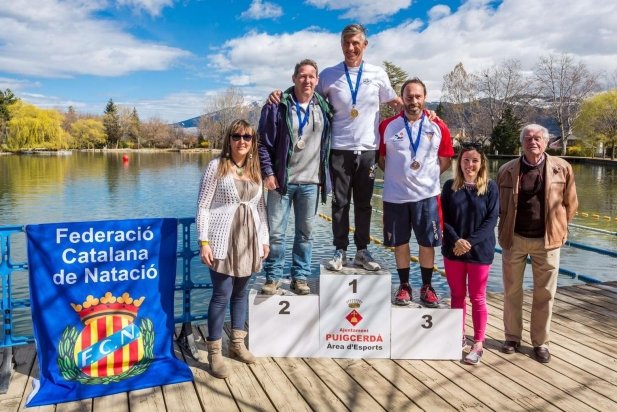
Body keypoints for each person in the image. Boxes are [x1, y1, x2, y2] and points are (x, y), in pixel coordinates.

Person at [267, 24, 403, 272]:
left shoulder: (378, 74)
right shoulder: (329, 75)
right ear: (341, 45)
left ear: (365, 44)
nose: (350, 48)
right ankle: (340, 250)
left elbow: (396, 103)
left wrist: (425, 113)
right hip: (339, 150)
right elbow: (304, 94)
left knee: (364, 204)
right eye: (346, 43)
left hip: (368, 150)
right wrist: (280, 94)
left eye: (355, 43)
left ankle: (362, 250)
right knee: (340, 203)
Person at [497, 123, 578, 363]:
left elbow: (570, 205)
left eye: (538, 138)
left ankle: (540, 343)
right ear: (521, 143)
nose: (533, 141)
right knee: (512, 291)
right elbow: (500, 207)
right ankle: (512, 337)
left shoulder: (562, 168)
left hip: (547, 241)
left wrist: (558, 227)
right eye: (528, 138)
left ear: (546, 142)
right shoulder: (507, 169)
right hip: (515, 239)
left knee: (545, 294)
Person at [196, 119, 270, 379]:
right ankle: (214, 351)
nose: (242, 141)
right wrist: (203, 241)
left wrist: (264, 239)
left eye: (247, 137)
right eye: (237, 136)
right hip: (222, 238)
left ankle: (237, 344)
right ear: (229, 139)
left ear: (252, 143)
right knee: (221, 294)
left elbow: (260, 208)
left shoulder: (255, 168)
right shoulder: (216, 166)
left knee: (241, 293)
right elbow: (203, 206)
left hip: (249, 239)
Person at [257, 59, 332, 295]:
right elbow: (262, 144)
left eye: (311, 76)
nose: (307, 80)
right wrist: (268, 173)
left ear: (317, 81)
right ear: (294, 79)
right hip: (281, 183)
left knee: (305, 234)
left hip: (311, 183)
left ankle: (300, 277)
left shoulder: (324, 107)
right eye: (302, 75)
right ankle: (273, 277)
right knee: (276, 234)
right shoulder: (277, 106)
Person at [378, 78, 453, 308]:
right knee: (400, 243)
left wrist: (426, 176)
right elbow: (381, 159)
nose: (413, 101)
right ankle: (404, 285)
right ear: (403, 99)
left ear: (424, 98)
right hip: (395, 197)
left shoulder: (438, 126)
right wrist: (399, 175)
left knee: (426, 243)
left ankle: (427, 286)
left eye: (418, 96)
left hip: (427, 197)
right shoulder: (387, 126)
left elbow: (446, 159)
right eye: (409, 97)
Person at [441, 142, 499, 365]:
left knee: (477, 297)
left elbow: (491, 220)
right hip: (453, 250)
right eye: (466, 160)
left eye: (475, 160)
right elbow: (443, 218)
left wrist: (469, 242)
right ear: (460, 162)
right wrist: (457, 240)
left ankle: (478, 343)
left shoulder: (490, 188)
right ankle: (458, 336)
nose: (470, 165)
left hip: (480, 251)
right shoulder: (449, 187)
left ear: (481, 163)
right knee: (457, 295)